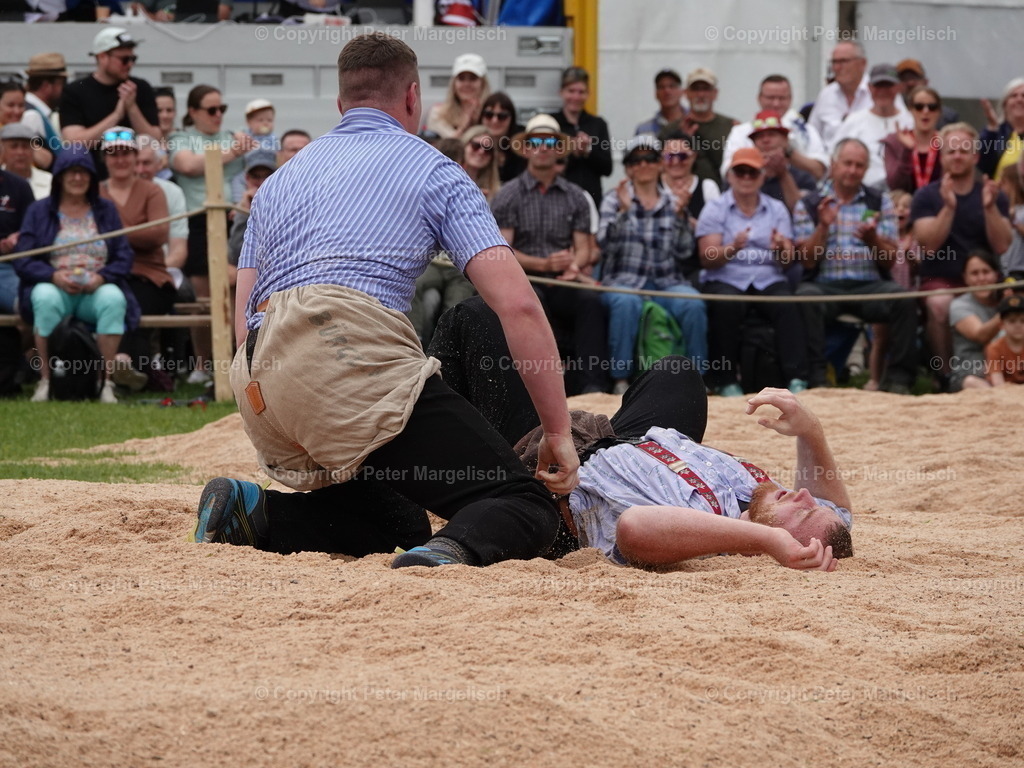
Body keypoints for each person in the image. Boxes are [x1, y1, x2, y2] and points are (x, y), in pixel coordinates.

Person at [193, 32, 579, 571]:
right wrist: (557, 432)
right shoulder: (434, 169)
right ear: (413, 97)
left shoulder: (280, 180)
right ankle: (444, 557)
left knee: (394, 520)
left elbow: (244, 308)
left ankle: (254, 511)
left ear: (340, 103)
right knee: (523, 503)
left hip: (261, 376)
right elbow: (517, 305)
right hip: (346, 354)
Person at [198, 295, 852, 572]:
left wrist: (765, 540)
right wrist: (812, 430)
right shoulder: (759, 488)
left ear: (785, 551)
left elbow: (633, 533)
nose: (809, 499)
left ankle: (267, 514)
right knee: (678, 370)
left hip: (548, 491)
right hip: (601, 440)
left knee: (413, 517)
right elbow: (839, 516)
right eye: (814, 500)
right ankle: (419, 442)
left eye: (805, 521)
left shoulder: (715, 524)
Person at [491, 113, 608, 395]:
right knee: (532, 303)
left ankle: (594, 387)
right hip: (523, 280)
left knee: (590, 303)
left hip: (564, 279)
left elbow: (583, 249)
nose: (542, 147)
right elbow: (502, 251)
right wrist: (543, 263)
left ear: (558, 149)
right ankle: (531, 389)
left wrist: (573, 265)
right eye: (536, 141)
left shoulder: (576, 196)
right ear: (527, 148)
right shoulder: (508, 195)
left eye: (549, 142)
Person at [12, 147, 139, 404]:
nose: (77, 178)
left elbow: (124, 256)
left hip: (95, 285)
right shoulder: (39, 211)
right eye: (71, 173)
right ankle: (46, 381)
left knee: (114, 299)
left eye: (83, 173)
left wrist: (102, 277)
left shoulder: (105, 210)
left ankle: (106, 383)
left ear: (92, 177)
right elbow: (23, 258)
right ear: (59, 176)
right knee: (44, 298)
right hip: (56, 284)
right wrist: (53, 276)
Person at [794, 138, 917, 393]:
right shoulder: (810, 202)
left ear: (865, 169)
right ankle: (817, 376)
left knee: (904, 299)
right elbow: (807, 260)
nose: (852, 170)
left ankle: (899, 380)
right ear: (833, 164)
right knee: (804, 298)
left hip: (869, 286)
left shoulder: (879, 201)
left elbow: (891, 259)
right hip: (824, 286)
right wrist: (823, 226)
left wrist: (873, 241)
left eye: (859, 165)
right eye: (847, 163)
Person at [597, 134, 707, 395]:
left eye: (649, 158)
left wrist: (681, 216)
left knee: (694, 304)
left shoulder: (673, 201)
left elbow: (684, 251)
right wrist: (623, 213)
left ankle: (698, 379)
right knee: (626, 303)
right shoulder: (615, 199)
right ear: (628, 168)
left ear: (660, 164)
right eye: (636, 160)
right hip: (624, 282)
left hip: (667, 282)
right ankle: (620, 380)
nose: (643, 165)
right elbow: (605, 246)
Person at [696, 147, 807, 396]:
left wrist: (781, 248)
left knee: (788, 303)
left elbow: (788, 261)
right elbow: (707, 257)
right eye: (740, 171)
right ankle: (725, 380)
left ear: (762, 176)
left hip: (768, 276)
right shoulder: (715, 208)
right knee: (726, 304)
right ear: (730, 176)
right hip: (725, 276)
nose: (746, 177)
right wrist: (732, 248)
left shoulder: (777, 208)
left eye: (752, 172)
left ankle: (797, 378)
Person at [911, 122, 1012, 384]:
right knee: (939, 303)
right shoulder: (925, 196)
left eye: (964, 150)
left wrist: (990, 209)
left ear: (976, 156)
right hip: (942, 280)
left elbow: (1002, 246)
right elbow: (927, 246)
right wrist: (948, 208)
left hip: (986, 280)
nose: (957, 156)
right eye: (951, 151)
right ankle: (946, 376)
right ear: (941, 157)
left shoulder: (992, 194)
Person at [168, 84, 257, 382]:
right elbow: (189, 165)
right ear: (193, 112)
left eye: (222, 109)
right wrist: (233, 151)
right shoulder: (181, 138)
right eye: (211, 109)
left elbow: (256, 169)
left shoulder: (234, 137)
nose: (218, 115)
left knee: (234, 292)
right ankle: (202, 365)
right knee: (203, 298)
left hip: (233, 221)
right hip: (196, 222)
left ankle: (236, 363)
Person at [98, 127, 171, 387]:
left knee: (136, 300)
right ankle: (111, 371)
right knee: (108, 298)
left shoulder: (152, 191)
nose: (120, 160)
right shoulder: (95, 192)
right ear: (105, 158)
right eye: (113, 154)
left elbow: (158, 234)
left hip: (148, 274)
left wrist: (112, 234)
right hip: (104, 273)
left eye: (126, 153)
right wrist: (133, 233)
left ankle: (127, 364)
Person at [59, 28, 160, 179]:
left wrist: (132, 108)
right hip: (92, 178)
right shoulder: (76, 91)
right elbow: (74, 143)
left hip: (136, 179)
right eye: (124, 60)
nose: (130, 65)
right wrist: (116, 115)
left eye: (133, 59)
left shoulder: (141, 88)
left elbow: (155, 140)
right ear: (102, 57)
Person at [720, 74, 828, 182]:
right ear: (759, 98)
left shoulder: (806, 131)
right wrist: (759, 158)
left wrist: (788, 151)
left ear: (790, 99)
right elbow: (727, 172)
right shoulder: (740, 132)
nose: (776, 103)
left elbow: (820, 172)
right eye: (770, 98)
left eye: (782, 98)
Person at [830, 64, 912, 192]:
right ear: (869, 88)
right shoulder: (854, 120)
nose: (883, 91)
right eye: (878, 86)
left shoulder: (910, 121)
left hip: (902, 193)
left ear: (899, 88)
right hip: (862, 193)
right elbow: (834, 159)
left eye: (888, 86)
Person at [551, 66, 612, 206]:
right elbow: (546, 162)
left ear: (588, 94)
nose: (576, 97)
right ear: (561, 92)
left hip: (591, 200)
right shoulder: (552, 123)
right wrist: (571, 151)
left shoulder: (598, 124)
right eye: (571, 91)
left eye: (581, 92)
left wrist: (587, 151)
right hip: (557, 199)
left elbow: (607, 168)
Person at [949, 250, 1003, 391]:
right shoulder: (959, 306)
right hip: (971, 372)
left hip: (1008, 368)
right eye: (974, 273)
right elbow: (980, 335)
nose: (981, 278)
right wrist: (1008, 309)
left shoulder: (1004, 301)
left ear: (996, 275)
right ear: (965, 278)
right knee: (972, 383)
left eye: (986, 272)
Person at [747, 111, 817, 213]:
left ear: (785, 140)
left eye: (771, 135)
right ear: (754, 144)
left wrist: (783, 173)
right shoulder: (742, 174)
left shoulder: (803, 177)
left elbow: (802, 214)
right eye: (760, 136)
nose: (765, 140)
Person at [678, 67, 737, 188]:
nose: (700, 94)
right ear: (686, 93)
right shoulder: (673, 129)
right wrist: (684, 140)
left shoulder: (732, 127)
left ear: (715, 94)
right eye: (695, 89)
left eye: (706, 89)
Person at [808, 41, 871, 148]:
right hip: (830, 162)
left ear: (862, 63)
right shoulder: (826, 95)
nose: (837, 67)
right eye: (834, 62)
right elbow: (811, 136)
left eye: (843, 61)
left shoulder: (880, 93)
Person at [882, 85, 943, 194]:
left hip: (939, 206)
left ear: (939, 111)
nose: (925, 111)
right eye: (919, 106)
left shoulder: (948, 143)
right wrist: (907, 151)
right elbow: (894, 185)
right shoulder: (895, 141)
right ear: (910, 110)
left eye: (932, 107)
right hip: (903, 207)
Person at [659, 129, 721, 227]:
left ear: (694, 156)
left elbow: (716, 229)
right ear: (661, 159)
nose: (676, 162)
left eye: (682, 156)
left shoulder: (707, 188)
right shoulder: (653, 188)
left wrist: (684, 217)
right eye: (670, 157)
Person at [425, 53, 490, 140]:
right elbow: (448, 147)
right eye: (461, 78)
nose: (466, 84)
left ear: (483, 83)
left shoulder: (492, 116)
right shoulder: (437, 114)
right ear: (454, 83)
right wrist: (465, 125)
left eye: (473, 78)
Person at [0, 159, 34, 315]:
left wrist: (18, 238)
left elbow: (33, 231)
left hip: (14, 262)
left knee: (33, 302)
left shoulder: (19, 186)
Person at [22, 52, 68, 163]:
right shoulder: (31, 115)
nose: (64, 90)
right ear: (46, 86)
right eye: (61, 84)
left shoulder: (40, 113)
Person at [230, 99, 279, 204]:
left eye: (269, 120)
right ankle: (239, 203)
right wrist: (237, 134)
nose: (265, 123)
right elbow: (235, 133)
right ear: (249, 122)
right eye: (260, 120)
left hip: (269, 169)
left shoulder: (274, 138)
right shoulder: (246, 136)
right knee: (237, 180)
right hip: (250, 169)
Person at [979, 78, 1024, 180]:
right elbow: (983, 165)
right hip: (1001, 194)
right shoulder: (997, 133)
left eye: (1023, 96)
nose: (1019, 99)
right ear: (1004, 104)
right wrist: (992, 128)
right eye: (1014, 96)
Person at [894, 59, 959, 128]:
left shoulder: (947, 118)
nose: (910, 83)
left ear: (926, 82)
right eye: (904, 79)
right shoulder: (887, 115)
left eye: (915, 78)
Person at [478, 91, 525, 183]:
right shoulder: (471, 145)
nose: (495, 120)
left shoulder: (521, 149)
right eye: (489, 115)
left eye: (502, 116)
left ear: (512, 119)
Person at [1, 123, 52, 200]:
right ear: (3, 150)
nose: (20, 152)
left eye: (25, 147)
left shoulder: (50, 182)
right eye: (14, 146)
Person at [635, 68, 687, 137]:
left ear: (682, 92)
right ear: (656, 94)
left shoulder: (695, 123)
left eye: (672, 86)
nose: (667, 91)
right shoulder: (644, 130)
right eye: (661, 87)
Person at [985, 294, 1024, 385]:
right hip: (1003, 390)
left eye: (1023, 321)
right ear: (1001, 325)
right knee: (970, 381)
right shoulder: (995, 348)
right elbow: (997, 381)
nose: (1018, 326)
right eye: (1012, 321)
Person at [998, 161, 1024, 280]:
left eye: (1003, 182)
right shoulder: (1005, 210)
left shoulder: (1020, 211)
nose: (999, 186)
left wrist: (1016, 224)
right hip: (1005, 269)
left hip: (1019, 269)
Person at [459, 124, 501, 200]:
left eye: (487, 149)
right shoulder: (447, 177)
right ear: (464, 146)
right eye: (476, 146)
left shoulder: (497, 192)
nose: (481, 151)